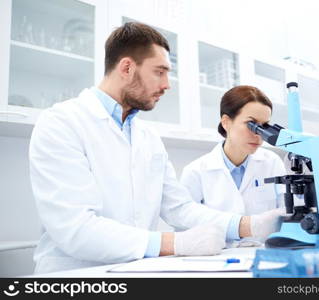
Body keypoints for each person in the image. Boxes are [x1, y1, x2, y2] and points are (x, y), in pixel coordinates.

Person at [29, 22, 287, 274]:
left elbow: (179, 208)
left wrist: (248, 225)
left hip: (136, 269)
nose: (167, 84)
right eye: (160, 72)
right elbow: (75, 229)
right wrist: (174, 243)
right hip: (76, 275)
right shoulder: (61, 123)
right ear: (127, 67)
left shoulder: (147, 136)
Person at [181, 86, 287, 217]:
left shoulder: (272, 162)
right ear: (226, 122)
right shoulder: (195, 172)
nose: (259, 134)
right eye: (251, 124)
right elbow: (186, 224)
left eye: (264, 126)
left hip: (267, 238)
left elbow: (286, 212)